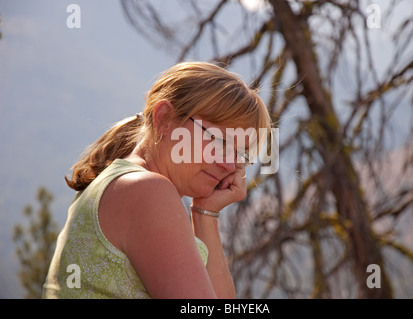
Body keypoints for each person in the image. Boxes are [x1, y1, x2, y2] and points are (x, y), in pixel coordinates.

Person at [42, 61, 271, 299]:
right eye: (219, 141)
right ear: (164, 119)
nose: (229, 164)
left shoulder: (122, 182)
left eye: (240, 154)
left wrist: (206, 212)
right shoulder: (147, 191)